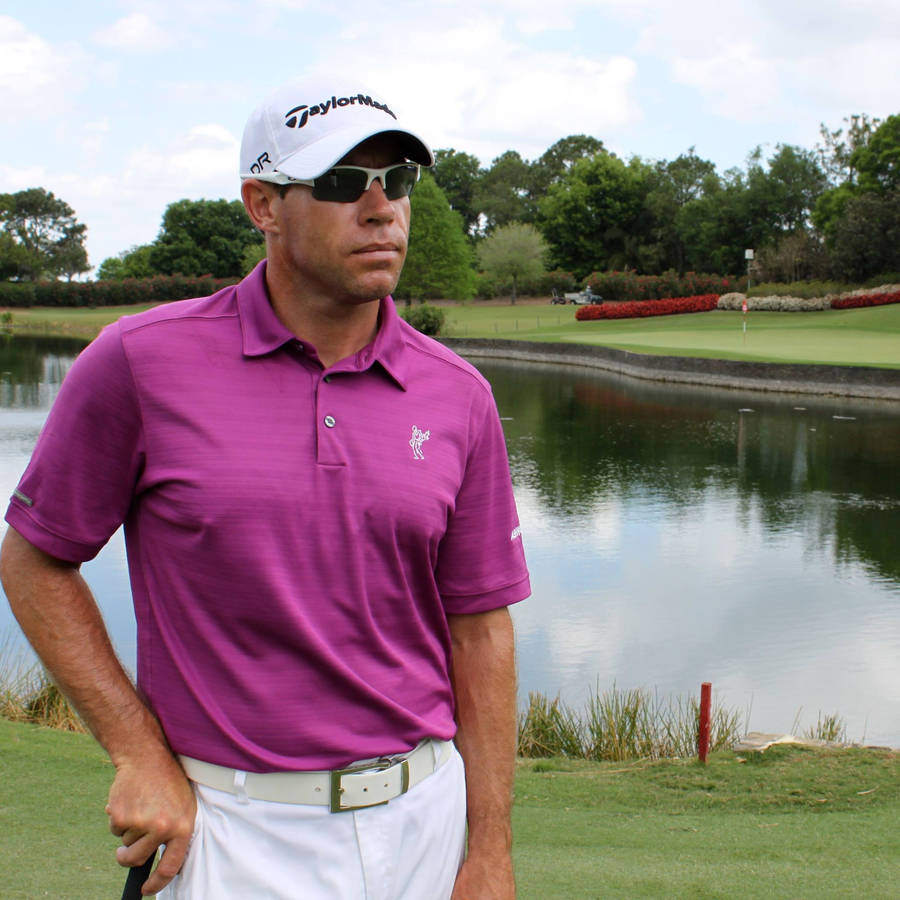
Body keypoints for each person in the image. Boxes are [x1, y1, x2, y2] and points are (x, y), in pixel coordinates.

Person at [0, 77, 530, 899]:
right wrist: (137, 750)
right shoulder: (141, 362)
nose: (381, 206)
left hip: (423, 820)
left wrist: (489, 850)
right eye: (343, 183)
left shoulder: (458, 394)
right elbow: (35, 561)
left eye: (397, 180)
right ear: (264, 206)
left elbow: (480, 630)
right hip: (227, 831)